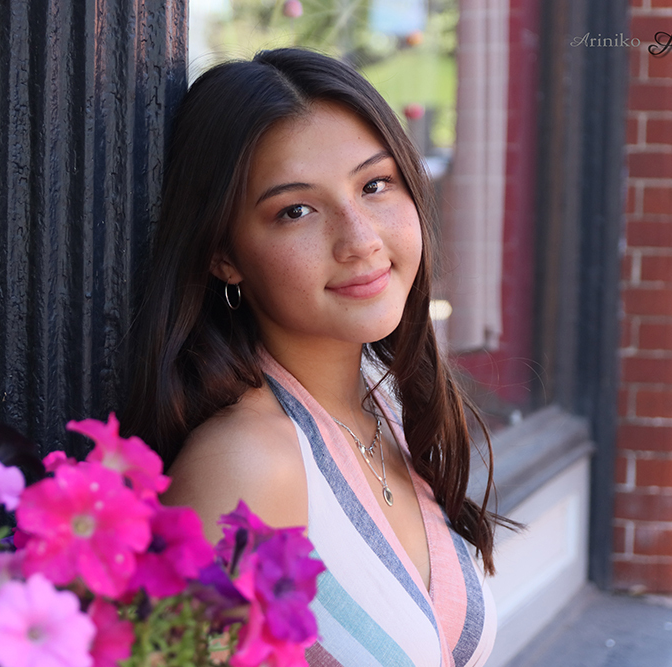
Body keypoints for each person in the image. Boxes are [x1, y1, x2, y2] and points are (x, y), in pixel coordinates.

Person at [123, 48, 510, 667]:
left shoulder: (382, 398)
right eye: (295, 210)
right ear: (223, 254)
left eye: (375, 184)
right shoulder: (247, 466)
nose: (359, 239)